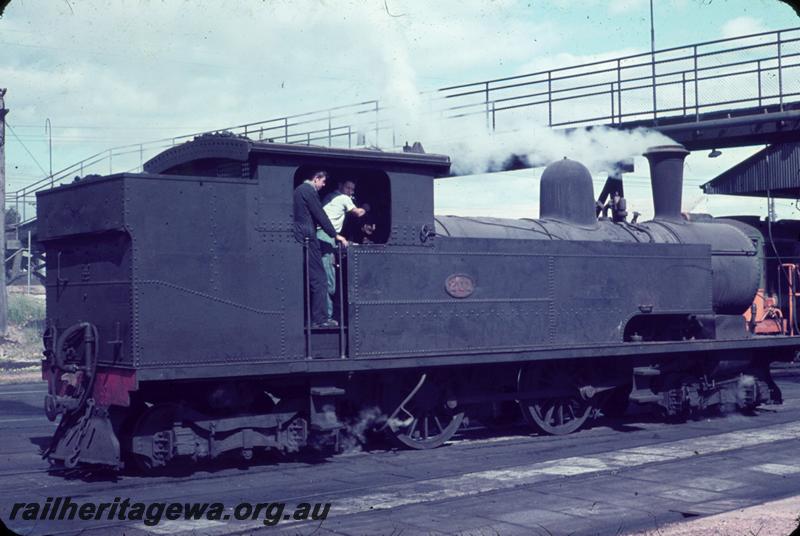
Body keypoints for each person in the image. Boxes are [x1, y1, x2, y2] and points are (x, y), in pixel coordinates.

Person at [293, 171, 347, 328]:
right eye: (322, 182)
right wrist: (335, 235)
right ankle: (321, 319)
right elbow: (320, 214)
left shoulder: (299, 191)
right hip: (308, 235)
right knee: (320, 279)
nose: (323, 185)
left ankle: (318, 317)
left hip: (303, 234)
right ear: (315, 178)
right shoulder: (308, 190)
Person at [318, 180, 369, 320]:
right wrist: (366, 207)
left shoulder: (329, 197)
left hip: (323, 237)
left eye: (353, 189)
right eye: (348, 188)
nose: (350, 192)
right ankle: (326, 317)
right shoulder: (344, 198)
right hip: (326, 238)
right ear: (340, 186)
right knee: (329, 281)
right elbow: (358, 213)